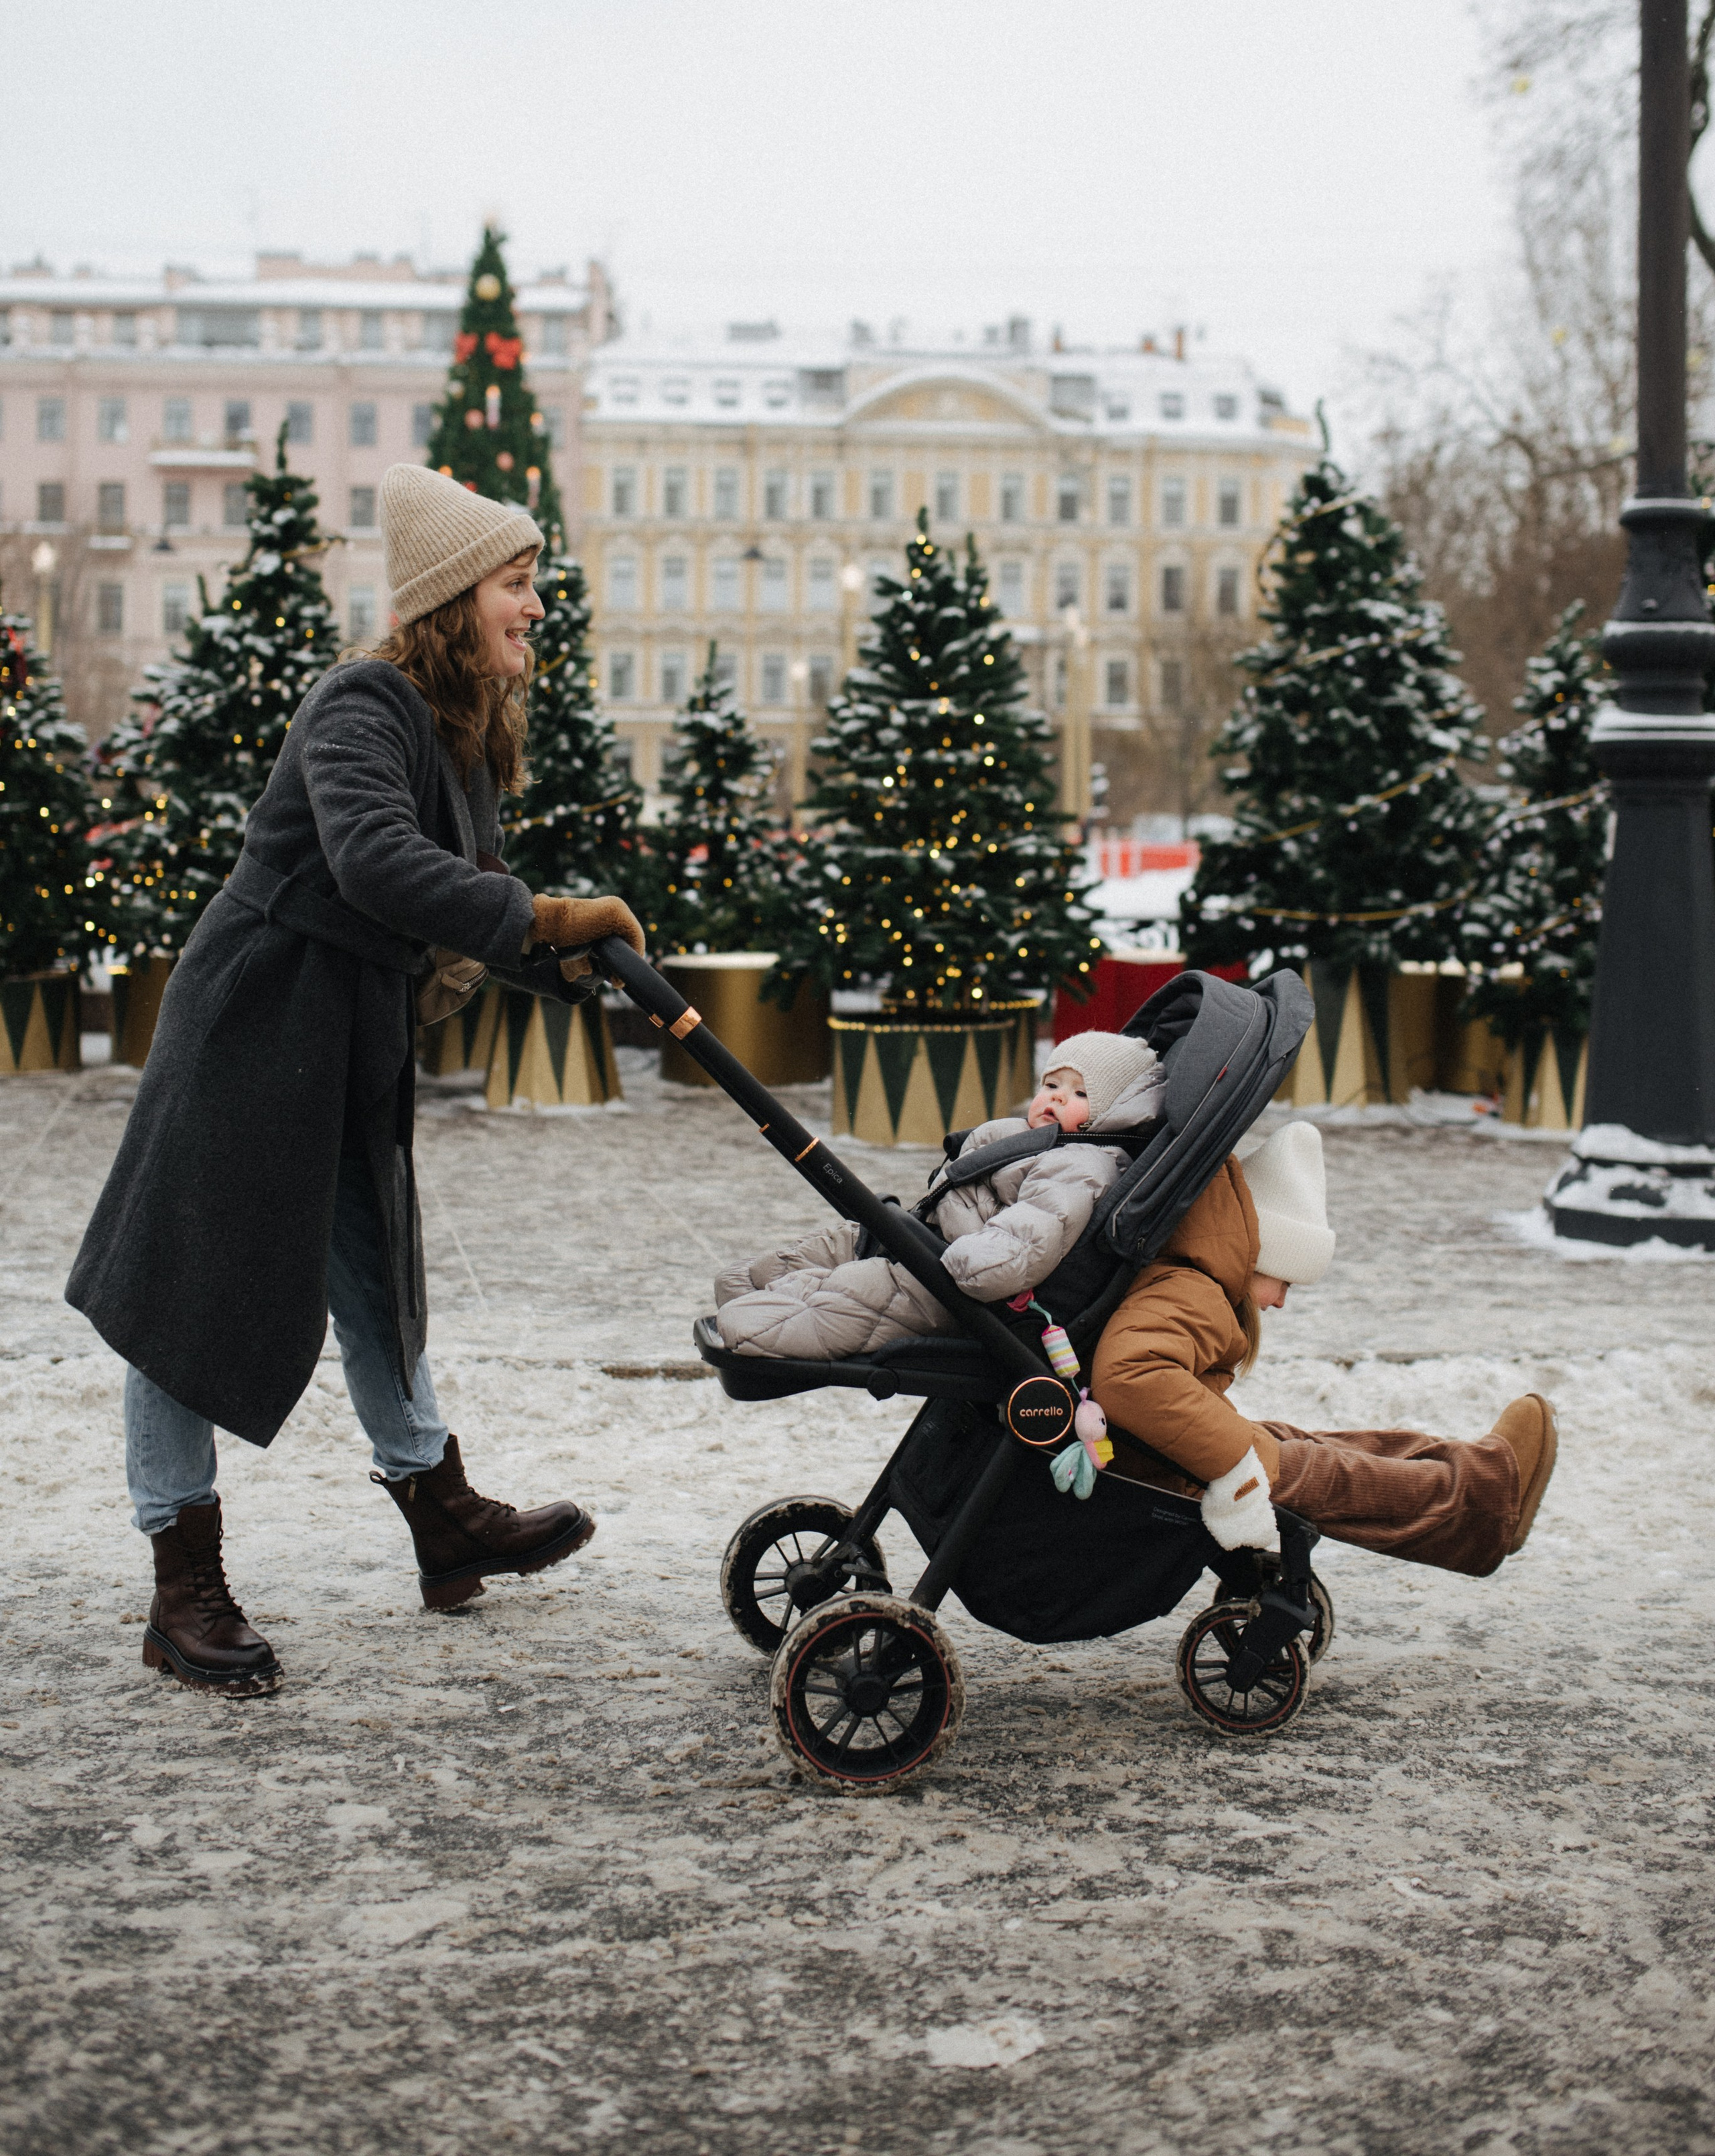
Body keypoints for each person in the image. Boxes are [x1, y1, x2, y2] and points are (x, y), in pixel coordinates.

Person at [68, 464, 647, 1697]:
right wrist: (542, 916)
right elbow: (379, 864)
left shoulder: (462, 736)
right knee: (189, 1295)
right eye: (516, 582)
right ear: (453, 594)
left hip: (345, 1040)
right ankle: (183, 1583)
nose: (535, 607)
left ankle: (438, 1511)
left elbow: (457, 915)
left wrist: (576, 963)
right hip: (254, 1026)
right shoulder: (362, 704)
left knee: (374, 1273)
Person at [1090, 1120, 1558, 1573]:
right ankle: (1485, 1502)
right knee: (1327, 1475)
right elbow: (1131, 1376)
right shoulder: (1196, 1288)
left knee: (1301, 1444)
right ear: (1263, 1252)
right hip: (1153, 1474)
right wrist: (1241, 1461)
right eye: (1286, 1281)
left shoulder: (1196, 1277)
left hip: (1152, 1457)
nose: (1280, 1302)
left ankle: (1475, 1471)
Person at [714, 1030, 1164, 1360]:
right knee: (782, 1266)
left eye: (1081, 1093)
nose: (1058, 1098)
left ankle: (756, 1321)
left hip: (950, 1286)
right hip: (924, 1238)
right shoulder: (1035, 1137)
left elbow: (1023, 1243)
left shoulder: (1080, 1165)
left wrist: (959, 1254)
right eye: (1051, 1085)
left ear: (1111, 1112)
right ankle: (755, 1293)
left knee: (844, 1295)